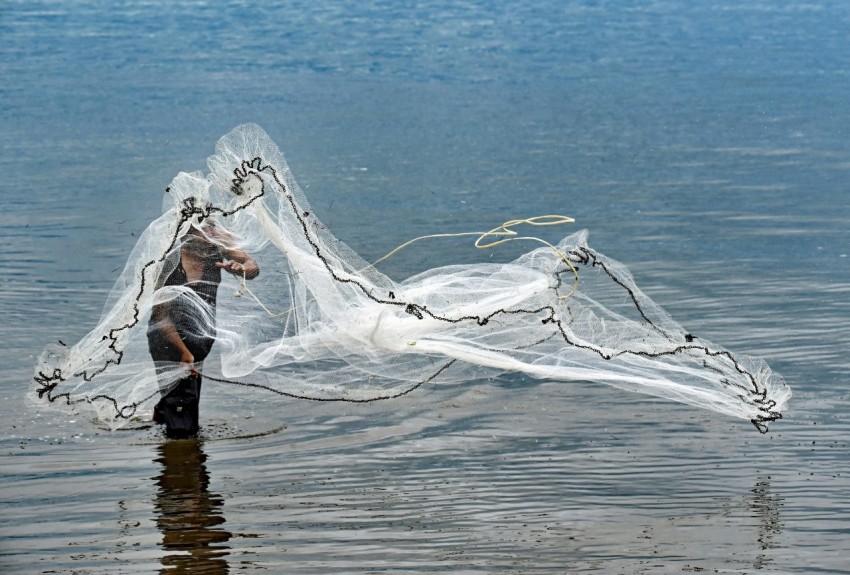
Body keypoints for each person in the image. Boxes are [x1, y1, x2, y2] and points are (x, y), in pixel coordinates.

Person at [147, 221, 259, 438]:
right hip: (168, 341)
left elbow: (252, 265)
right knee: (183, 428)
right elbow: (161, 316)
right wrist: (184, 353)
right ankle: (181, 460)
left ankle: (163, 411)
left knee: (185, 397)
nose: (211, 233)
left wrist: (243, 268)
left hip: (199, 339)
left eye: (212, 227)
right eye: (203, 229)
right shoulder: (169, 263)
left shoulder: (216, 246)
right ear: (186, 232)